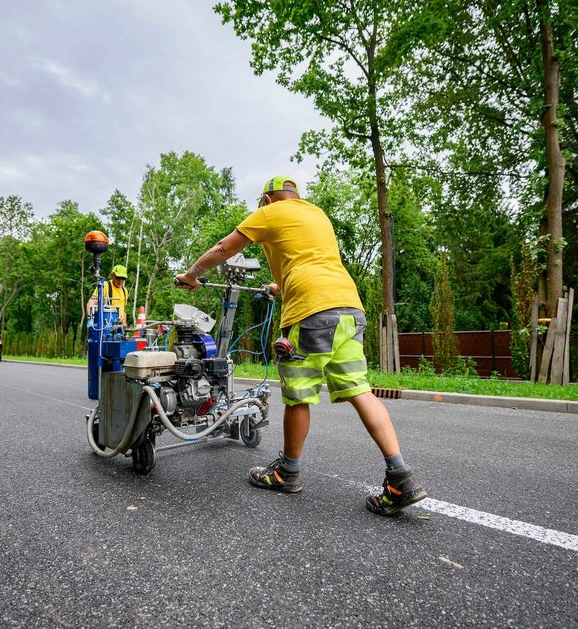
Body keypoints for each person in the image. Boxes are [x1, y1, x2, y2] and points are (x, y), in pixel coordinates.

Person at [175, 176, 426, 516]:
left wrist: (191, 275)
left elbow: (225, 248)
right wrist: (280, 285)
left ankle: (286, 472)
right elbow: (308, 258)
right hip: (348, 306)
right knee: (360, 390)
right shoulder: (316, 214)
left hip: (310, 311)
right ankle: (400, 477)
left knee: (297, 396)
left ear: (267, 199)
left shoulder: (269, 212)